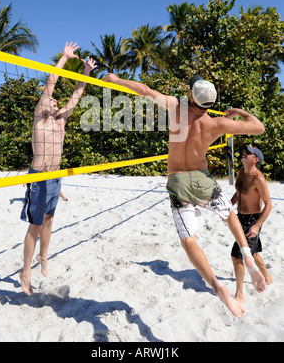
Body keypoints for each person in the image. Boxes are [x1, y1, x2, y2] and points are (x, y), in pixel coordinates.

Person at [103, 72, 266, 319]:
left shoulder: (176, 107)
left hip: (178, 180)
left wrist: (116, 80)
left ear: (192, 96)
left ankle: (216, 285)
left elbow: (144, 90)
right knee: (229, 213)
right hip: (202, 178)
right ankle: (246, 254)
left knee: (189, 239)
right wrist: (239, 112)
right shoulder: (216, 123)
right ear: (211, 103)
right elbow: (259, 127)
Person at [19, 42, 96, 295]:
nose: (53, 100)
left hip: (56, 177)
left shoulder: (61, 120)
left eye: (55, 101)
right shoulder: (40, 118)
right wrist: (64, 58)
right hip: (39, 177)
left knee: (50, 221)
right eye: (50, 99)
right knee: (35, 226)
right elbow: (51, 83)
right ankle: (25, 270)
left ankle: (43, 257)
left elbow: (77, 93)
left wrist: (85, 71)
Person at [231, 145, 273, 303]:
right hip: (239, 217)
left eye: (248, 153)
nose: (244, 153)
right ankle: (268, 277)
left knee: (237, 256)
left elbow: (268, 205)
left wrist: (256, 226)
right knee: (253, 253)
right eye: (245, 151)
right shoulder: (241, 172)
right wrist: (228, 207)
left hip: (253, 220)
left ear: (255, 159)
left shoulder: (258, 178)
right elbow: (239, 192)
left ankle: (240, 294)